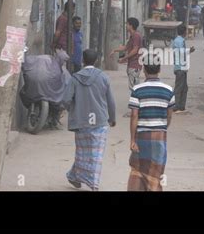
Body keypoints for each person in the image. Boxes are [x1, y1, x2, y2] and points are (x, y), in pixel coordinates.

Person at [63, 49, 117, 191]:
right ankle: (93, 183)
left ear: (82, 61)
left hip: (81, 123)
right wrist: (112, 118)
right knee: (96, 154)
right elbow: (111, 101)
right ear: (97, 61)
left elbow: (66, 100)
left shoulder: (75, 78)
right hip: (99, 121)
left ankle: (74, 176)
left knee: (83, 153)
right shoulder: (103, 77)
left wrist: (74, 112)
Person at [127, 56, 175, 191]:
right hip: (160, 138)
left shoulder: (137, 90)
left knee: (137, 171)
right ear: (159, 69)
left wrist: (132, 140)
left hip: (142, 138)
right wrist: (162, 128)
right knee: (156, 174)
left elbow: (134, 116)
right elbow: (169, 115)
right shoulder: (169, 90)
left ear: (144, 70)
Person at [109, 17, 143, 91]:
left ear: (131, 26)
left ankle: (135, 102)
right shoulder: (132, 36)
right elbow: (126, 47)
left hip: (135, 65)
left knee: (134, 88)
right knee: (134, 87)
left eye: (127, 24)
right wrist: (115, 50)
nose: (126, 26)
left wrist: (124, 58)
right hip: (132, 65)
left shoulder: (136, 36)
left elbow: (135, 50)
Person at [172, 24, 195, 113]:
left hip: (181, 67)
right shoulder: (180, 41)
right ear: (185, 32)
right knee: (179, 87)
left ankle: (181, 106)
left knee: (184, 87)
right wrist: (189, 51)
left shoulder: (178, 40)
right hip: (180, 67)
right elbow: (181, 53)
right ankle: (176, 105)